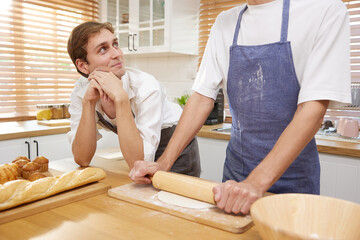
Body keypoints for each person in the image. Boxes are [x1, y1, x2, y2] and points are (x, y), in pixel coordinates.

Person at [129, 0, 351, 214]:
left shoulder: (324, 10)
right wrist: (163, 163)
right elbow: (201, 98)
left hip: (294, 182)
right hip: (236, 179)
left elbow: (312, 109)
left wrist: (256, 183)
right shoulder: (225, 22)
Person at [66, 21, 200, 177]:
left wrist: (121, 99)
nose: (117, 54)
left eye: (115, 44)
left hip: (175, 149)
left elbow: (139, 161)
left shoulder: (147, 87)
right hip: (139, 148)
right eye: (103, 49)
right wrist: (88, 104)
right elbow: (82, 158)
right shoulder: (82, 92)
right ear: (83, 66)